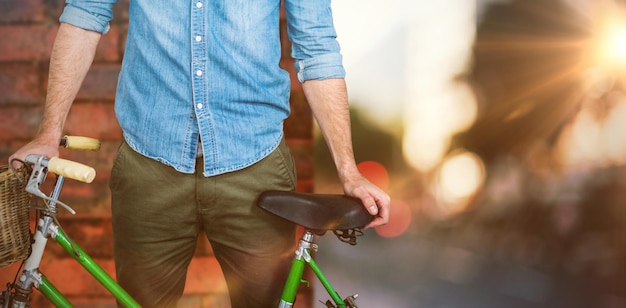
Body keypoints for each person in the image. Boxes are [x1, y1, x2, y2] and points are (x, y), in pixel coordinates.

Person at [9, 1, 390, 307]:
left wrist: (348, 171)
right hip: (149, 163)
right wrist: (48, 134)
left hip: (255, 162)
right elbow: (85, 16)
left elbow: (316, 47)